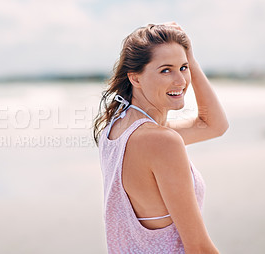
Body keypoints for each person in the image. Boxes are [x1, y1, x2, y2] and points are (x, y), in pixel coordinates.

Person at [93, 22, 228, 253]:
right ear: (135, 78)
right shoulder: (161, 141)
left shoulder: (115, 127)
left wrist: (191, 60)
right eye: (166, 70)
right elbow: (197, 247)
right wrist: (187, 61)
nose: (181, 81)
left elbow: (213, 125)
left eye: (183, 68)